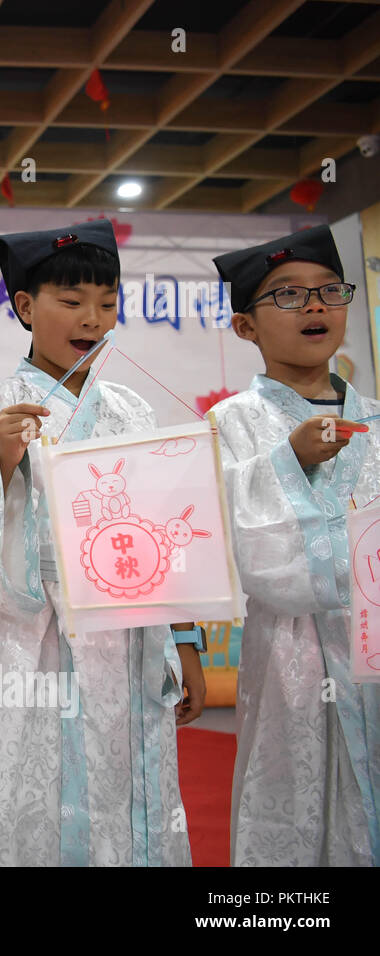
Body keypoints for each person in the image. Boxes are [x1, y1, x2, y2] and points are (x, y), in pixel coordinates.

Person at [0, 220, 200, 866]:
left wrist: (184, 639)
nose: (92, 318)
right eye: (71, 302)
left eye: (107, 302)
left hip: (129, 646)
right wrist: (1, 459)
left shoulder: (130, 410)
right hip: (37, 649)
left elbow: (160, 533)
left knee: (131, 796)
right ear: (25, 307)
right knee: (33, 796)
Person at [212, 224, 379, 865]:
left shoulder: (376, 418)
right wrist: (287, 460)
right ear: (246, 328)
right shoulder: (233, 422)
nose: (313, 306)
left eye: (328, 291)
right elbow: (223, 531)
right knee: (290, 798)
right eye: (286, 296)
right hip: (291, 652)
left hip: (375, 642)